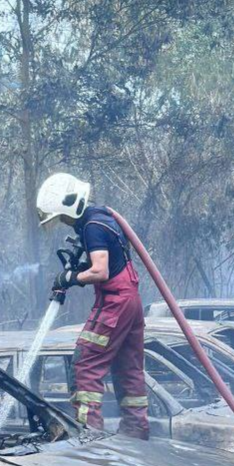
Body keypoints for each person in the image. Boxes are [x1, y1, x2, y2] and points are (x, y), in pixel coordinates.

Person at [36, 172, 151, 439]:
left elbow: (100, 272)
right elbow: (109, 263)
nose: (63, 222)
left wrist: (71, 277)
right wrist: (80, 267)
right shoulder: (104, 219)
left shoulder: (92, 226)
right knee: (128, 366)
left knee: (86, 362)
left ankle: (90, 436)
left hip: (114, 302)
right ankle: (136, 432)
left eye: (62, 217)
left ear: (70, 206)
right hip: (130, 301)